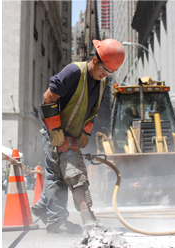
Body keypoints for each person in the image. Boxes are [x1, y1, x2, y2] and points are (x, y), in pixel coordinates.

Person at [31, 39, 125, 234]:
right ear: (95, 59)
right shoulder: (74, 72)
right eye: (104, 70)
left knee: (65, 176)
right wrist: (56, 132)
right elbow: (48, 97)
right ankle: (56, 222)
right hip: (53, 130)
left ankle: (42, 206)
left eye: (109, 72)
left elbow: (93, 109)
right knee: (57, 177)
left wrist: (84, 132)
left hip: (71, 134)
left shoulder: (101, 82)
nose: (104, 75)